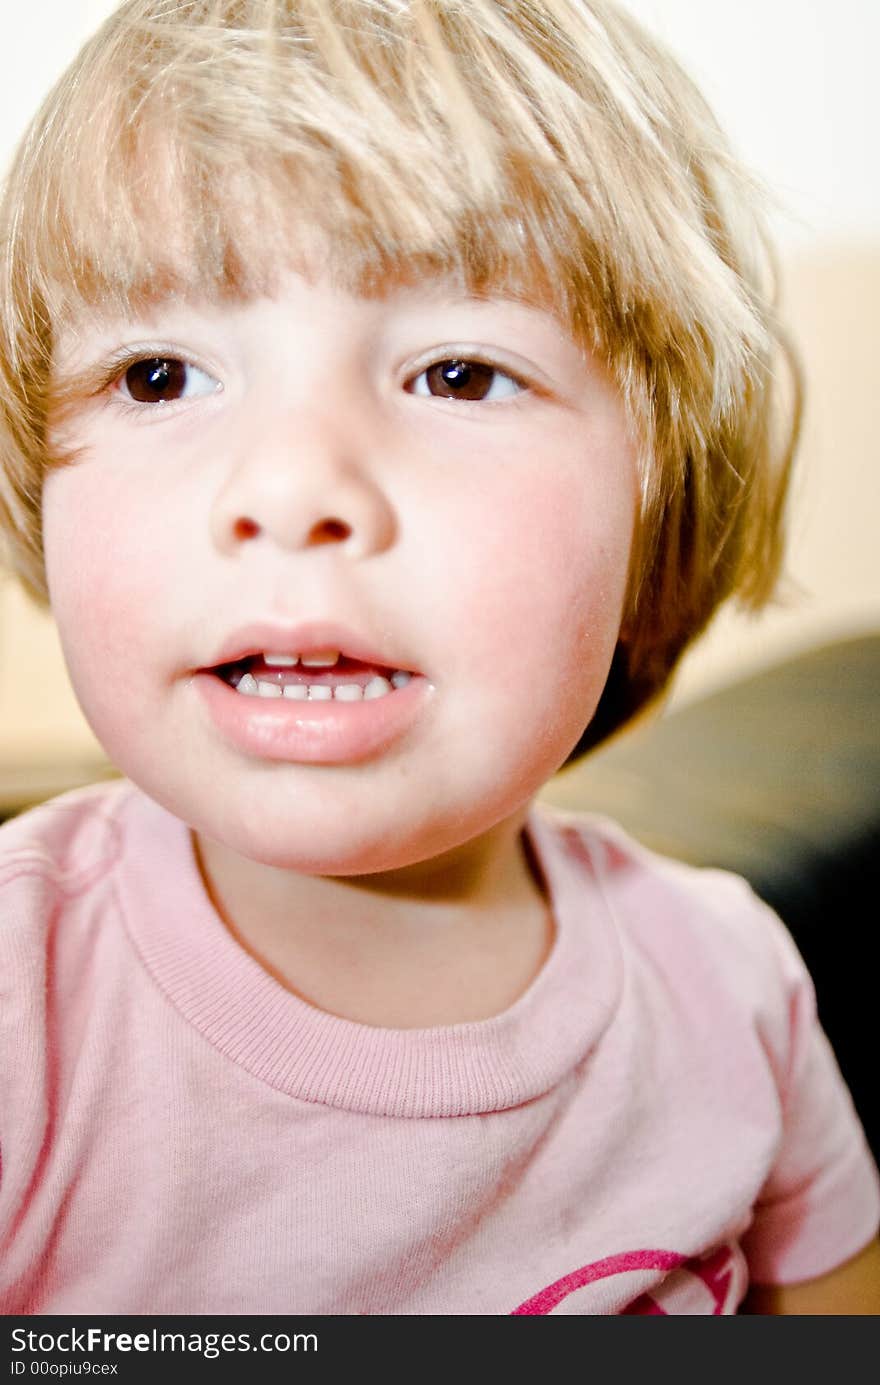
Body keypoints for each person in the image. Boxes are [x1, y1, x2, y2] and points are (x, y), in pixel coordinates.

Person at [0, 0, 877, 1317]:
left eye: (460, 374)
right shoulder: (27, 1004)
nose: (291, 486)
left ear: (659, 510)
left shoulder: (735, 989)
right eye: (161, 375)